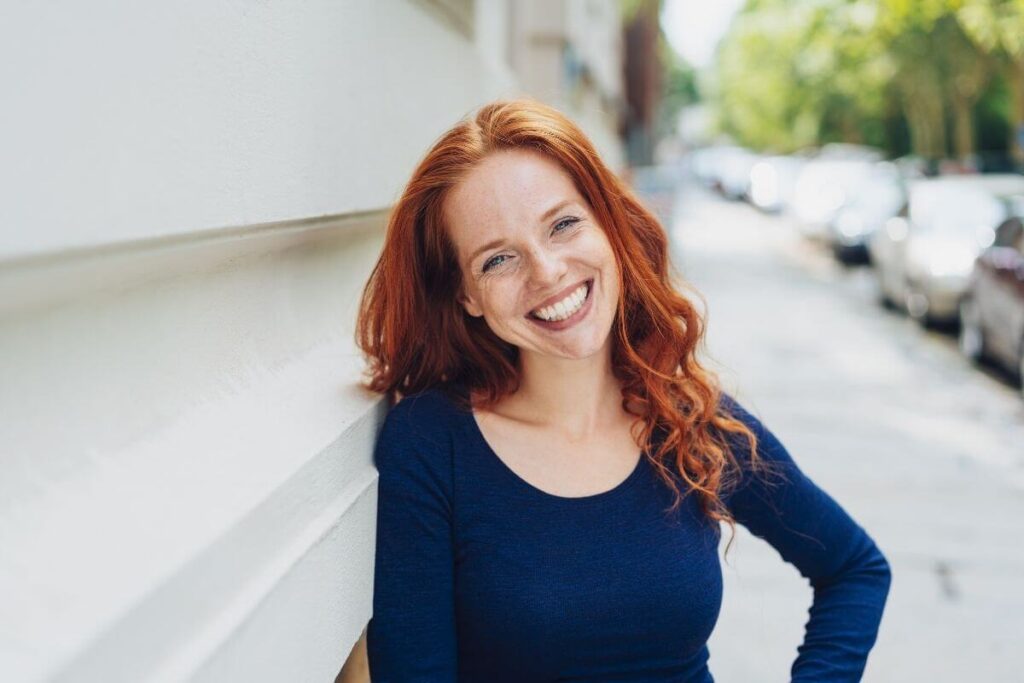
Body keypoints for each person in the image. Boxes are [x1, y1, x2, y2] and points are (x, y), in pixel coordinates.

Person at [355, 98, 891, 682]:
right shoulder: (433, 447)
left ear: (607, 225)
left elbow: (854, 569)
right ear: (466, 297)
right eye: (498, 259)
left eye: (563, 224)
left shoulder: (691, 422)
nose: (547, 271)